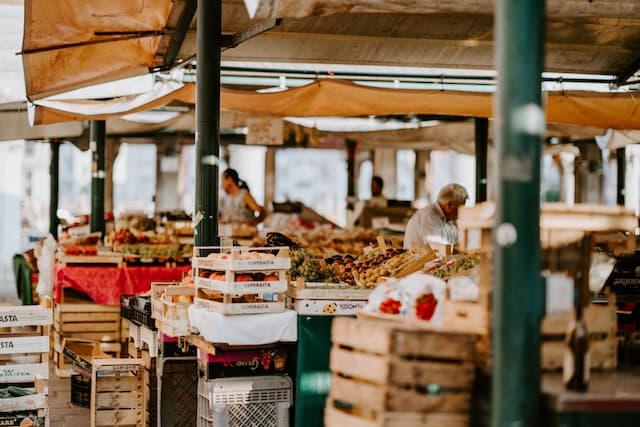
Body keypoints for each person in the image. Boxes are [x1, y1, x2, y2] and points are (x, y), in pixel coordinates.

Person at [403, 183, 469, 249]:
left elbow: (458, 240)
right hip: (423, 259)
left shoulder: (447, 219)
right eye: (460, 207)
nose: (462, 211)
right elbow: (439, 249)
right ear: (449, 205)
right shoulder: (429, 216)